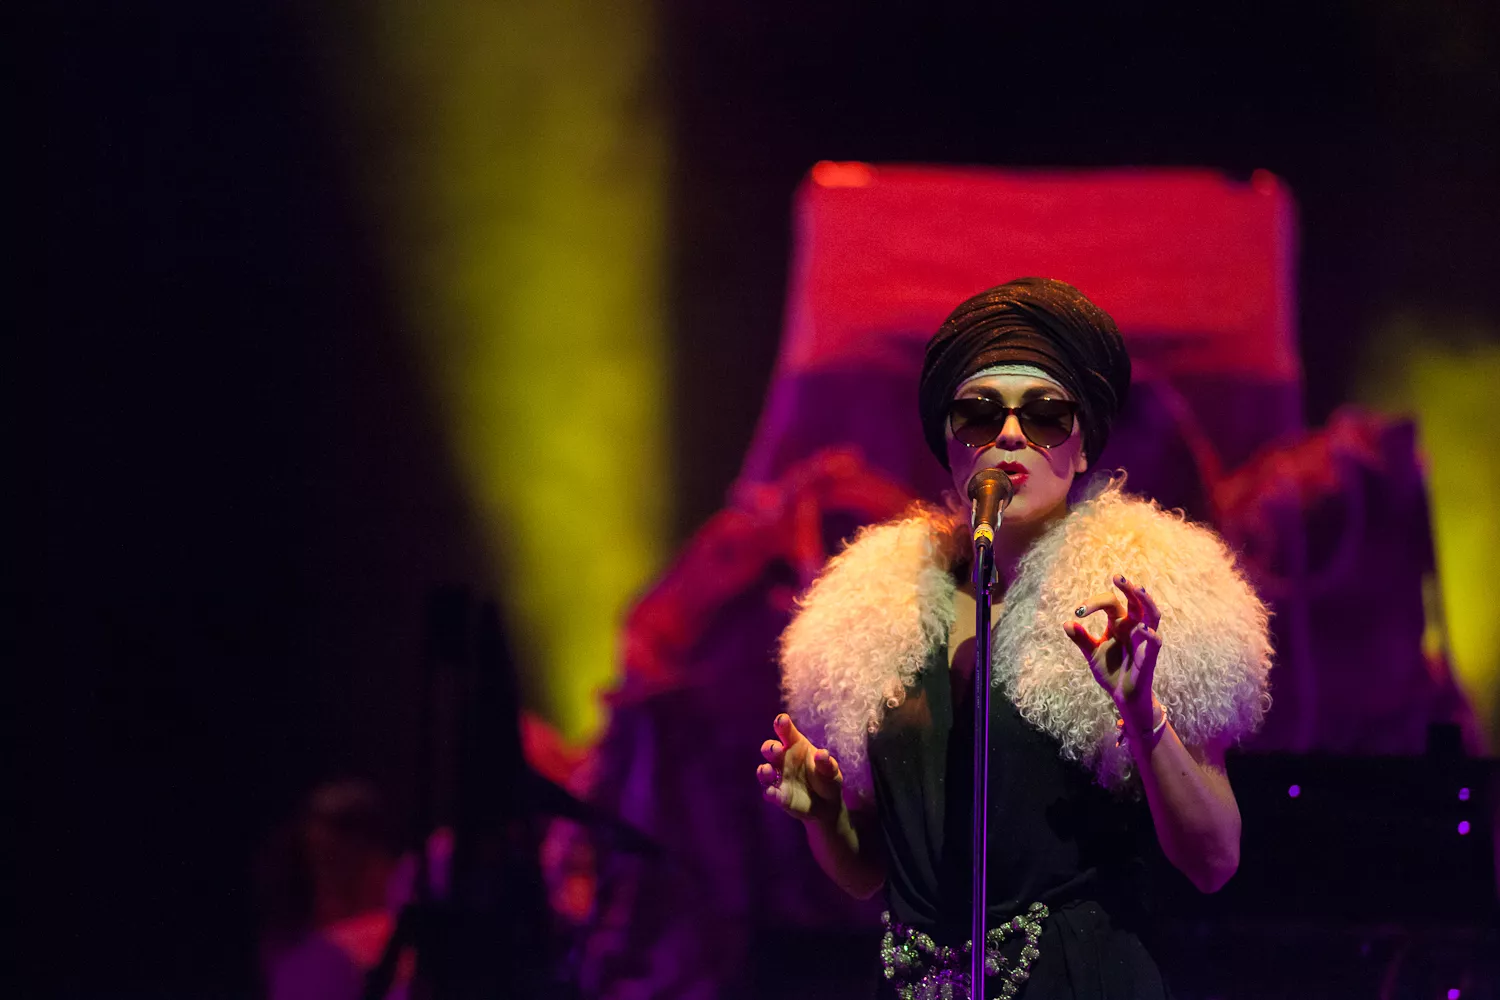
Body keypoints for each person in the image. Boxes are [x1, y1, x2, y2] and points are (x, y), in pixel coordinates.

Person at [757, 278, 1272, 999]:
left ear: (1082, 446)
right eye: (978, 414)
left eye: (1045, 415)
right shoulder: (875, 617)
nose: (1008, 435)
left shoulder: (1146, 600)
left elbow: (1213, 860)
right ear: (950, 443)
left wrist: (1141, 711)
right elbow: (869, 871)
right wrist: (827, 817)